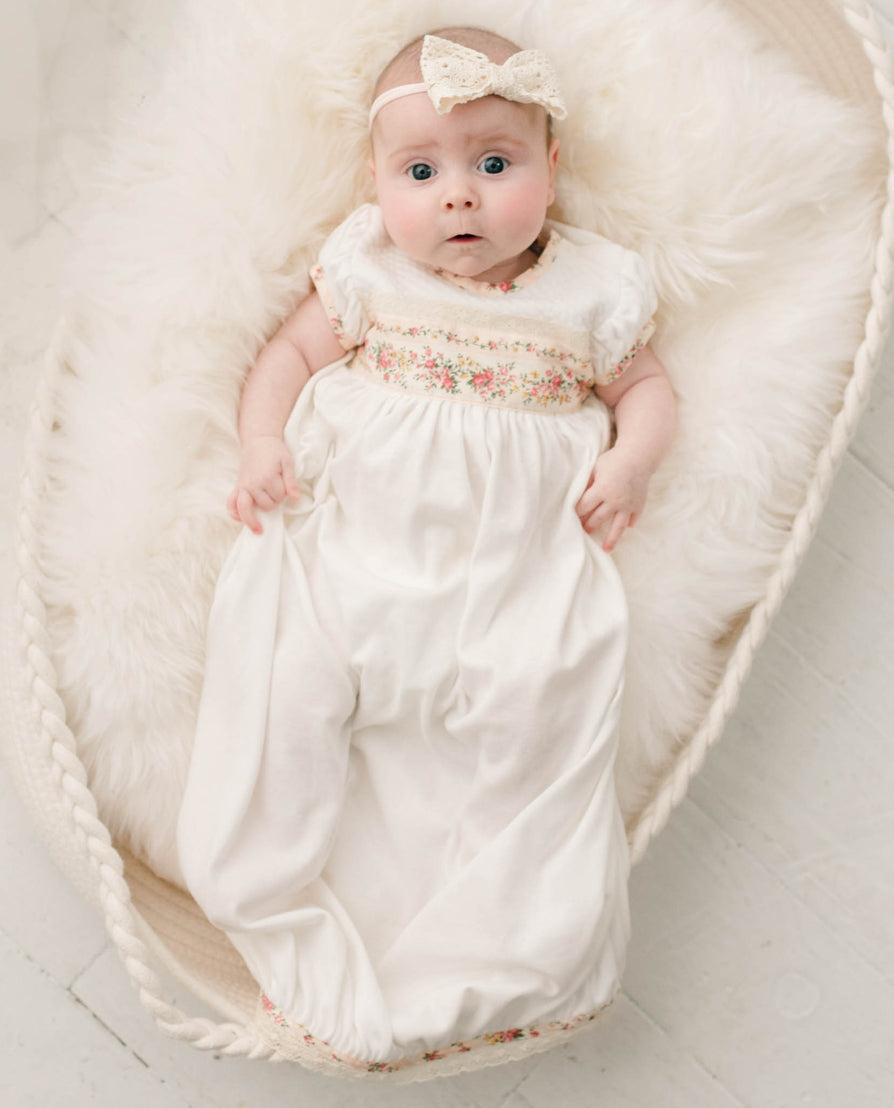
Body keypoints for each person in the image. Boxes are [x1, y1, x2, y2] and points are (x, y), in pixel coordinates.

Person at [176, 26, 677, 1070]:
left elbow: (647, 390)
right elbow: (287, 356)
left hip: (511, 569)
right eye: (422, 170)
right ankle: (275, 882)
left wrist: (630, 462)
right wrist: (264, 440)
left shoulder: (594, 288)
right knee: (299, 687)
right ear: (375, 183)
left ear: (552, 171)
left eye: (495, 164)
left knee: (531, 715)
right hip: (361, 544)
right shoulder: (363, 268)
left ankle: (490, 945)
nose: (459, 197)